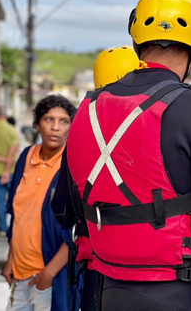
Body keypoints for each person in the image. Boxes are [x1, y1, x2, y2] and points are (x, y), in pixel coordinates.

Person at [66, 0, 191, 311]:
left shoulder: (87, 108)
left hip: (101, 291)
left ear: (136, 42)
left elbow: (66, 210)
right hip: (178, 292)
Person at [52, 45, 140, 311]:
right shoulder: (160, 123)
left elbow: (62, 211)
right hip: (158, 272)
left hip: (100, 272)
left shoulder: (82, 125)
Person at [1, 95, 77, 311]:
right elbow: (17, 214)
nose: (55, 127)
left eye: (63, 121)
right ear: (37, 124)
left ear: (71, 128)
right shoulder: (26, 156)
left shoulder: (73, 165)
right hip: (19, 273)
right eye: (48, 119)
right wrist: (10, 259)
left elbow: (77, 229)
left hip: (49, 277)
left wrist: (49, 273)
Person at [0, 104, 19, 237]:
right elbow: (13, 150)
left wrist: (3, 161)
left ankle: (3, 228)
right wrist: (8, 165)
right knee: (16, 199)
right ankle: (16, 225)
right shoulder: (11, 130)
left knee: (0, 199)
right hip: (11, 171)